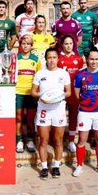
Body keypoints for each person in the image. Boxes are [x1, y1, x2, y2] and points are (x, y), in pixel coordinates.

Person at [31, 47, 71, 180]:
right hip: (43, 109)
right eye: (49, 58)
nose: (52, 60)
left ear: (58, 59)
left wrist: (59, 97)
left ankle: (56, 166)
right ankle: (43, 167)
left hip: (58, 109)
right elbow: (33, 92)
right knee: (43, 140)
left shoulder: (63, 74)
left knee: (58, 140)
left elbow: (69, 92)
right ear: (46, 59)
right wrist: (41, 97)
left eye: (54, 57)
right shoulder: (40, 74)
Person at [72, 49, 98, 176]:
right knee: (82, 140)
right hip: (84, 112)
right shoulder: (80, 75)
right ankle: (79, 165)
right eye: (91, 59)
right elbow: (77, 94)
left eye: (96, 59)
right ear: (87, 59)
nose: (93, 62)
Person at [57, 35, 85, 153]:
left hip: (74, 92)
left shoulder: (78, 59)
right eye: (66, 44)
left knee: (73, 116)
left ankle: (71, 141)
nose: (68, 46)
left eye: (70, 43)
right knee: (60, 117)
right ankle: (58, 140)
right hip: (61, 93)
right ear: (62, 45)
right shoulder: (58, 58)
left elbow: (82, 77)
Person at [14, 34, 41, 153]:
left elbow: (39, 77)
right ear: (20, 45)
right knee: (19, 118)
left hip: (31, 93)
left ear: (31, 46)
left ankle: (30, 139)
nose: (25, 46)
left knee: (30, 118)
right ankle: (19, 140)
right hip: (18, 91)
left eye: (28, 44)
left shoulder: (36, 59)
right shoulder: (15, 58)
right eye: (23, 44)